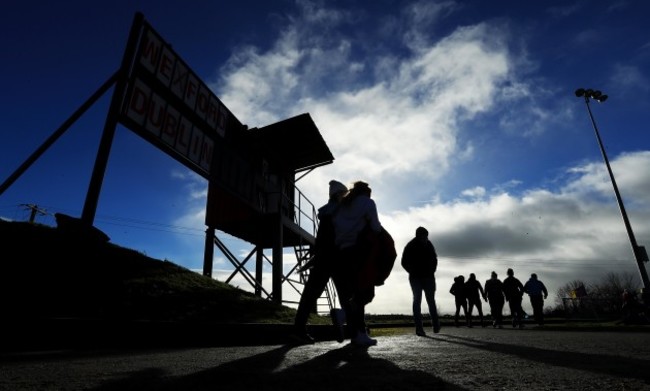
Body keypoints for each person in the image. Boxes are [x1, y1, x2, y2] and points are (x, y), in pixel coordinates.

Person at [292, 180, 348, 344]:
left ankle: (299, 330)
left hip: (323, 261)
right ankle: (353, 329)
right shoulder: (339, 214)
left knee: (309, 297)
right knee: (346, 296)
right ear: (338, 195)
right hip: (335, 261)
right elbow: (335, 241)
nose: (345, 197)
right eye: (344, 194)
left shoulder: (326, 214)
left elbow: (321, 242)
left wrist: (312, 261)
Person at [332, 180, 383, 346]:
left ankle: (356, 333)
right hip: (358, 252)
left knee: (354, 293)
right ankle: (351, 324)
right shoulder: (368, 203)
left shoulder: (343, 205)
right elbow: (376, 227)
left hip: (341, 253)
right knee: (364, 293)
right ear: (367, 192)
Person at [401, 226, 441, 336]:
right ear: (418, 236)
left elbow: (435, 258)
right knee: (417, 300)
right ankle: (419, 328)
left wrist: (432, 270)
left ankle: (436, 325)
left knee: (431, 301)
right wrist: (412, 271)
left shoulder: (429, 244)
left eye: (426, 236)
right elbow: (403, 262)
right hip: (416, 278)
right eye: (423, 236)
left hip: (429, 277)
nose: (425, 238)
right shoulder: (410, 245)